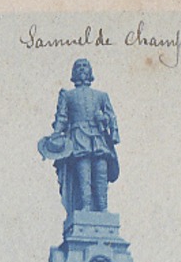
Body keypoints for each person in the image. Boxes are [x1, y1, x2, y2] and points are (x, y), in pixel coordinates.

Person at [38, 59, 120, 214]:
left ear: (90, 71)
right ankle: (86, 206)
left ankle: (103, 208)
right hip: (78, 137)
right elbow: (62, 118)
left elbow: (111, 116)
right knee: (84, 173)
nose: (82, 69)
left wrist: (105, 120)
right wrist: (56, 135)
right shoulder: (68, 96)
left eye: (85, 66)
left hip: (98, 138)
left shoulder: (101, 96)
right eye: (78, 67)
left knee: (101, 171)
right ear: (74, 73)